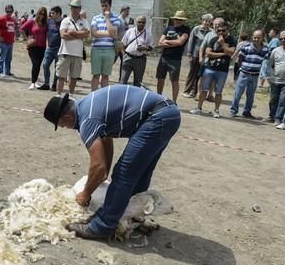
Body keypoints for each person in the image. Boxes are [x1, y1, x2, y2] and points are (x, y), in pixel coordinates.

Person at [43, 84, 181, 239]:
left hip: (156, 117)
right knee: (141, 171)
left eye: (62, 125)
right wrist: (103, 175)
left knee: (123, 173)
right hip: (169, 113)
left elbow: (97, 165)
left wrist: (86, 194)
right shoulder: (88, 104)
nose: (66, 128)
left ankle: (101, 226)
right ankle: (130, 212)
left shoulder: (87, 119)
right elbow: (106, 141)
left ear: (67, 118)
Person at [190, 23, 236, 118]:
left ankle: (216, 110)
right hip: (210, 68)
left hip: (222, 70)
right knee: (204, 89)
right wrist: (224, 54)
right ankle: (199, 108)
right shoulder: (213, 39)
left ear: (228, 30)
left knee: (218, 91)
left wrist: (223, 44)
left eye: (223, 30)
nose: (221, 32)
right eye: (219, 30)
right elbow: (208, 53)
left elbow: (231, 53)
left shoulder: (232, 40)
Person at [229, 30, 267, 119]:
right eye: (254, 37)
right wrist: (241, 69)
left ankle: (247, 112)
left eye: (258, 37)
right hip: (244, 74)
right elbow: (240, 59)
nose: (256, 39)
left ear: (262, 38)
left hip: (255, 76)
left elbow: (266, 60)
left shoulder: (265, 49)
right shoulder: (246, 47)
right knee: (238, 93)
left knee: (250, 95)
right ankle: (233, 111)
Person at [56, 0, 89, 96]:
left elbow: (86, 35)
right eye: (72, 7)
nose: (74, 9)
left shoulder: (85, 22)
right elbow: (63, 35)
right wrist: (79, 34)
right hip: (65, 51)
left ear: (79, 9)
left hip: (77, 53)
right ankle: (58, 94)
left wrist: (72, 32)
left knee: (74, 77)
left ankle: (70, 95)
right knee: (61, 75)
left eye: (76, 7)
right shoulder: (65, 20)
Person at [156, 10, 190, 103]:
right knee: (160, 78)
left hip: (175, 59)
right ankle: (158, 99)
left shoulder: (186, 30)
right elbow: (159, 43)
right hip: (164, 57)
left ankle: (174, 101)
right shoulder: (168, 28)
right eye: (176, 19)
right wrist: (173, 43)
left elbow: (180, 42)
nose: (178, 20)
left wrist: (166, 42)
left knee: (174, 81)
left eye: (180, 19)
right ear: (174, 19)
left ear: (183, 20)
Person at [90, 0, 121, 91]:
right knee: (96, 75)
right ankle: (93, 96)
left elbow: (113, 32)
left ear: (110, 6)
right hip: (96, 49)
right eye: (102, 6)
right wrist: (109, 33)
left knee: (105, 76)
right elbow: (94, 33)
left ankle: (104, 97)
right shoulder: (96, 18)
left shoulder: (116, 18)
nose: (104, 8)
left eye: (106, 6)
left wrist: (107, 19)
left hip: (109, 50)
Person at [183, 13, 213, 98]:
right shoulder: (196, 29)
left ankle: (194, 91)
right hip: (195, 54)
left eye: (209, 21)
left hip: (205, 56)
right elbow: (191, 41)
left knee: (200, 74)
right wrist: (189, 53)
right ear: (202, 21)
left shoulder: (211, 32)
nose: (207, 22)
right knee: (192, 73)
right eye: (205, 20)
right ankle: (187, 90)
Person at [120, 15, 153, 87]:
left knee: (138, 83)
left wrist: (145, 48)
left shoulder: (148, 33)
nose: (141, 24)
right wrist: (124, 56)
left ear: (145, 23)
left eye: (143, 22)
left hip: (140, 59)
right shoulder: (130, 31)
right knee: (123, 80)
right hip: (128, 57)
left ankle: (134, 98)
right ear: (136, 22)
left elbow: (151, 47)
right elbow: (122, 44)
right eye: (139, 22)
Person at [20, 6, 49, 90]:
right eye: (40, 13)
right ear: (38, 13)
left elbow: (47, 34)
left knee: (38, 64)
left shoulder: (45, 24)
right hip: (33, 46)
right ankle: (33, 82)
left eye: (44, 14)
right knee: (35, 63)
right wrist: (27, 39)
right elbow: (21, 29)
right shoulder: (32, 21)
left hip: (42, 47)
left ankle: (35, 81)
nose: (42, 16)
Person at [39, 5, 62, 91]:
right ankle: (46, 83)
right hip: (50, 47)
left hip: (59, 48)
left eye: (53, 13)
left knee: (57, 67)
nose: (51, 14)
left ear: (58, 13)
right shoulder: (49, 21)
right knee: (45, 64)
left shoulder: (63, 22)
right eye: (51, 12)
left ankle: (55, 85)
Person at [0, 3, 16, 78]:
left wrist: (14, 37)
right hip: (3, 42)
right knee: (2, 58)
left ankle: (7, 71)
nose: (9, 13)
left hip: (11, 42)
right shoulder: (1, 19)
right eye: (7, 11)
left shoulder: (13, 19)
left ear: (12, 11)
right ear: (5, 11)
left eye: (10, 11)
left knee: (9, 58)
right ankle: (0, 72)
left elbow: (13, 30)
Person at [115, 4, 131, 81]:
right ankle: (104, 75)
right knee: (112, 60)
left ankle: (121, 79)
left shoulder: (125, 21)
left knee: (124, 62)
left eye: (128, 12)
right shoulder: (118, 20)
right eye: (126, 11)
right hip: (118, 44)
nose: (127, 13)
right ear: (122, 11)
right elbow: (115, 32)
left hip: (123, 45)